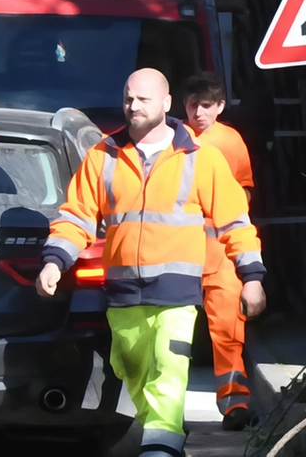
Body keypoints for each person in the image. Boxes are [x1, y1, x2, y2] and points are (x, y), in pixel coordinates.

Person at [37, 68, 266, 457]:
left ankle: (161, 446)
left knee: (169, 368)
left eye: (143, 99)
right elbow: (76, 215)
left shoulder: (201, 157)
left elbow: (235, 220)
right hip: (123, 295)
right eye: (128, 98)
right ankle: (158, 432)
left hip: (177, 294)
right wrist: (55, 260)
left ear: (165, 103)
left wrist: (252, 276)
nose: (133, 105)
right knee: (133, 370)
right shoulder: (103, 156)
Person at [181, 72, 257, 431]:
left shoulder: (231, 141)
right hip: (177, 255)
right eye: (193, 105)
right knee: (171, 337)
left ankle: (234, 404)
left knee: (227, 333)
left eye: (206, 105)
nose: (199, 112)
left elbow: (245, 194)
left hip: (222, 255)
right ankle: (163, 411)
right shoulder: (170, 140)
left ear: (221, 106)